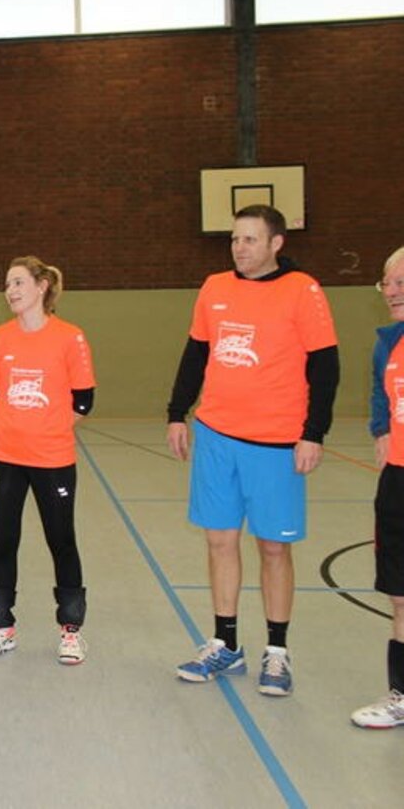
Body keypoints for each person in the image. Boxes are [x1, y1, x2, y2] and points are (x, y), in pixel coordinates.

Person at [167, 204, 339, 696]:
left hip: (277, 443)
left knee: (273, 547)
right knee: (220, 542)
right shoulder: (214, 288)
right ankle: (225, 645)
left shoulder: (302, 290)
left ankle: (277, 653)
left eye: (250, 239)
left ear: (276, 243)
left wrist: (314, 432)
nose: (239, 248)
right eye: (235, 239)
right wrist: (177, 412)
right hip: (218, 436)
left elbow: (325, 367)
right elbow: (196, 353)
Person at [0, 256, 95, 665]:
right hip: (4, 456)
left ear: (42, 287)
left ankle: (71, 630)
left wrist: (50, 429)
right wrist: (18, 426)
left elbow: (84, 400)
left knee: (61, 541)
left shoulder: (70, 337)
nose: (11, 291)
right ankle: (1, 626)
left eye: (19, 283)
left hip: (53, 458)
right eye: (7, 284)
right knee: (4, 541)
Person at [352, 248, 404, 728]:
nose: (390, 291)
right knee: (400, 593)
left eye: (401, 283)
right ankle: (401, 696)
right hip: (397, 479)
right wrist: (380, 427)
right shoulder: (388, 343)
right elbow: (378, 389)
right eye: (386, 283)